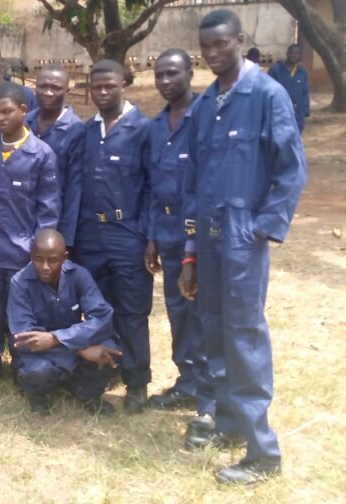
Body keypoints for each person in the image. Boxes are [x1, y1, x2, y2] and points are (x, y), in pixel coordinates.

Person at [179, 9, 306, 484]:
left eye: (220, 44)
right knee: (213, 333)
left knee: (244, 338)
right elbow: (194, 184)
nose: (212, 54)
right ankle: (229, 424)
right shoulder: (207, 103)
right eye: (205, 47)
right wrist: (190, 251)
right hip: (209, 239)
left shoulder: (266, 94)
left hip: (241, 238)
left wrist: (265, 228)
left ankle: (263, 453)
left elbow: (290, 168)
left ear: (240, 40)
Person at [59, 59, 153, 414]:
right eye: (95, 87)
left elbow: (151, 188)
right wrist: (69, 239)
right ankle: (101, 376)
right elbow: (75, 188)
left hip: (127, 233)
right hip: (90, 235)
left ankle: (137, 383)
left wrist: (150, 236)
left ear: (123, 85)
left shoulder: (143, 129)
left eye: (109, 86)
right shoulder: (85, 132)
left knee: (131, 311)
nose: (101, 93)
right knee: (96, 311)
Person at [0, 82, 60, 396]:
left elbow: (48, 207)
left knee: (20, 313)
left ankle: (22, 368)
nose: (1, 118)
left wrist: (39, 251)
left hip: (23, 250)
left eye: (7, 112)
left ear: (23, 111)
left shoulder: (41, 154)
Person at [145, 49, 208, 412]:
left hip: (197, 230)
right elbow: (154, 185)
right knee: (176, 308)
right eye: (159, 75)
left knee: (200, 308)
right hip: (165, 230)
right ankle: (187, 380)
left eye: (173, 73)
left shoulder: (205, 118)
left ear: (190, 73)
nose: (166, 81)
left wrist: (192, 244)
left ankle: (208, 385)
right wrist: (152, 235)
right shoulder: (157, 126)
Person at [8, 229, 120, 416]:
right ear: (31, 256)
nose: (45, 266)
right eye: (38, 259)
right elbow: (25, 337)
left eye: (52, 260)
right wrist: (79, 348)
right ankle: (39, 397)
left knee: (109, 350)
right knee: (38, 371)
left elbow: (102, 317)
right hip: (40, 354)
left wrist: (57, 338)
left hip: (60, 345)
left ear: (64, 257)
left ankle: (87, 394)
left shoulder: (79, 275)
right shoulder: (19, 283)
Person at [25, 63, 82, 190]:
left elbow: (75, 182)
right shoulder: (24, 122)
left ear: (67, 91)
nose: (48, 93)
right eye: (42, 87)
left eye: (55, 88)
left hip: (56, 206)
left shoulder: (76, 129)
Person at [268, 44, 310, 132]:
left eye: (297, 53)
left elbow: (305, 92)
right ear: (287, 54)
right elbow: (267, 89)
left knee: (296, 138)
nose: (294, 55)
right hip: (279, 112)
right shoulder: (276, 70)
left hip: (297, 113)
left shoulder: (302, 72)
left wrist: (305, 111)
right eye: (292, 53)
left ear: (299, 55)